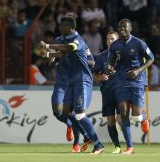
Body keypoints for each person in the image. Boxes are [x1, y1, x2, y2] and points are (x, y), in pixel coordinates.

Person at [40, 15, 104, 154]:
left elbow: (70, 49)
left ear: (70, 27)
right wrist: (50, 58)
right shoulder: (59, 40)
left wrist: (48, 46)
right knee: (65, 112)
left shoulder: (78, 40)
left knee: (79, 114)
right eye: (60, 25)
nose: (60, 28)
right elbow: (60, 55)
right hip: (68, 80)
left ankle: (97, 144)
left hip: (82, 79)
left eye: (63, 26)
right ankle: (81, 134)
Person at [108, 19, 154, 154]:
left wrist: (139, 70)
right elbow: (111, 61)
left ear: (130, 29)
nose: (121, 29)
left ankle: (143, 118)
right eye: (120, 27)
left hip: (137, 81)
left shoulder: (139, 43)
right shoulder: (115, 45)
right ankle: (130, 147)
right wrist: (110, 68)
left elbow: (151, 58)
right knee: (123, 114)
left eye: (124, 27)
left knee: (136, 116)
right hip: (121, 81)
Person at [92, 31, 122, 154]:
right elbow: (94, 74)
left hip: (121, 91)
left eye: (113, 38)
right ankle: (117, 146)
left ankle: (129, 146)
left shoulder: (123, 54)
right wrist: (99, 77)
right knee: (110, 121)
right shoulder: (101, 56)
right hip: (107, 92)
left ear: (118, 40)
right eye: (108, 39)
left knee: (121, 119)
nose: (110, 41)